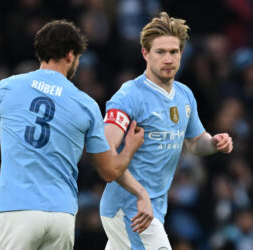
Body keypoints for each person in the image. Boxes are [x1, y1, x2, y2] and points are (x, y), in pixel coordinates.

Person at [0, 20, 144, 250]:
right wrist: (130, 146)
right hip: (61, 216)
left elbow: (7, 138)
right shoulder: (86, 105)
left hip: (16, 209)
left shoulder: (6, 88)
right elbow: (109, 171)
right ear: (71, 55)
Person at [100, 12, 233, 249]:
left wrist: (213, 143)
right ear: (145, 53)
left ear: (181, 53)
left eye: (174, 51)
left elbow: (195, 142)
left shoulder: (184, 95)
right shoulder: (129, 96)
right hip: (129, 209)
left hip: (153, 209)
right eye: (160, 52)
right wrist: (141, 194)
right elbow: (106, 152)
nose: (168, 58)